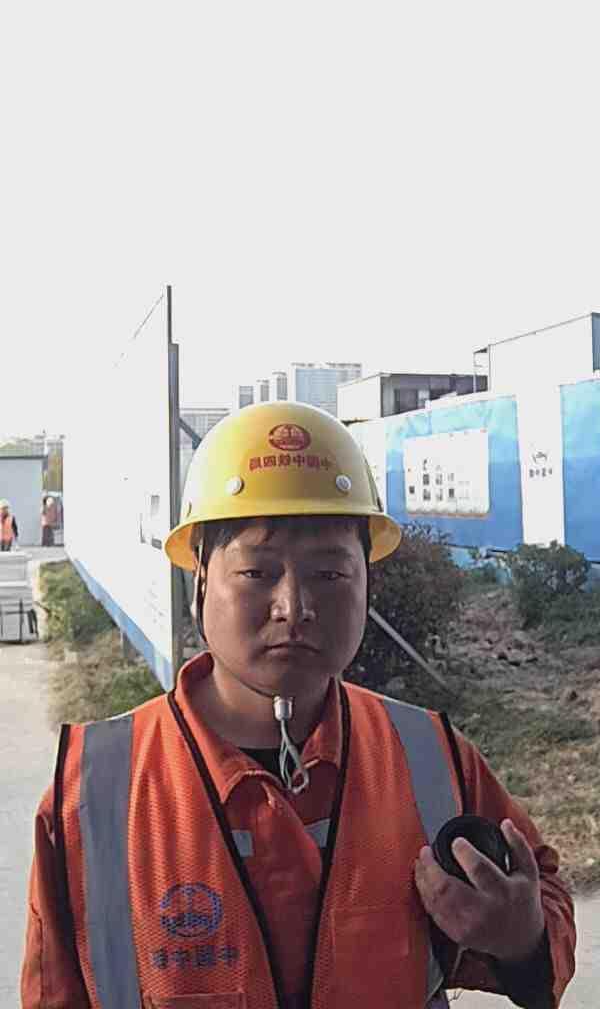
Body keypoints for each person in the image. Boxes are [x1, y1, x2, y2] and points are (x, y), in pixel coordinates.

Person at [21, 402, 575, 1009]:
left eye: (329, 575)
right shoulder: (92, 793)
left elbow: (540, 896)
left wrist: (521, 938)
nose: (294, 607)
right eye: (257, 573)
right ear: (200, 578)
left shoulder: (429, 758)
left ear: (367, 581)